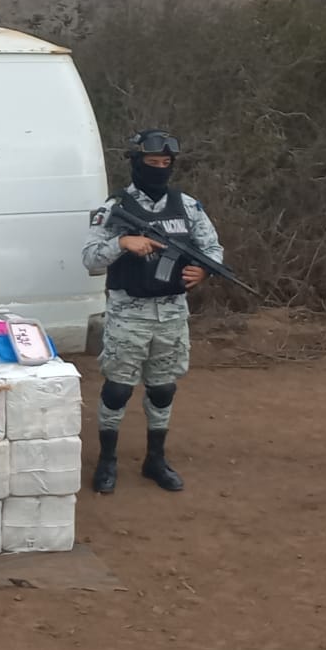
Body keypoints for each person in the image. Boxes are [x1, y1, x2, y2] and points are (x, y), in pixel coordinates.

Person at [82, 128, 223, 494]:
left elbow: (212, 248)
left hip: (172, 314)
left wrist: (204, 269)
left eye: (165, 163)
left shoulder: (188, 206)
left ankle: (155, 459)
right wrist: (122, 242)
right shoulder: (114, 210)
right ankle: (108, 460)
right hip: (129, 314)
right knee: (117, 390)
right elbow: (90, 260)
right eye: (152, 162)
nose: (159, 169)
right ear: (136, 163)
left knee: (163, 389)